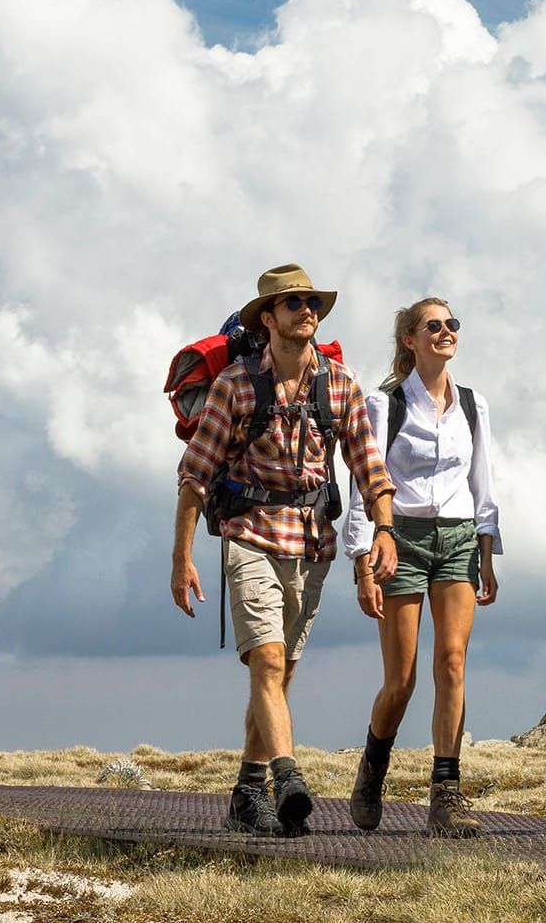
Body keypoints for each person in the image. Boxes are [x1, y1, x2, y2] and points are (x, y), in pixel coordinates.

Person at [172, 264, 397, 838]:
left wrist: (384, 530)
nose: (307, 310)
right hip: (249, 535)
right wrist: (182, 559)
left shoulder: (340, 384)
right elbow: (196, 477)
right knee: (267, 663)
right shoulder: (237, 385)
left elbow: (369, 466)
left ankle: (247, 792)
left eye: (312, 302)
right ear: (268, 318)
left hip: (313, 543)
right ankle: (288, 777)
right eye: (294, 303)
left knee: (279, 673)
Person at [341, 297, 502, 838]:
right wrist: (363, 561)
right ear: (410, 339)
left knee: (453, 662)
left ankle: (446, 796)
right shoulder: (383, 405)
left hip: (457, 538)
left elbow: (483, 481)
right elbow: (367, 483)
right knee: (402, 680)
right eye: (433, 326)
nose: (446, 332)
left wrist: (487, 546)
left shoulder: (474, 405)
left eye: (452, 324)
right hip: (399, 539)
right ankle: (372, 770)